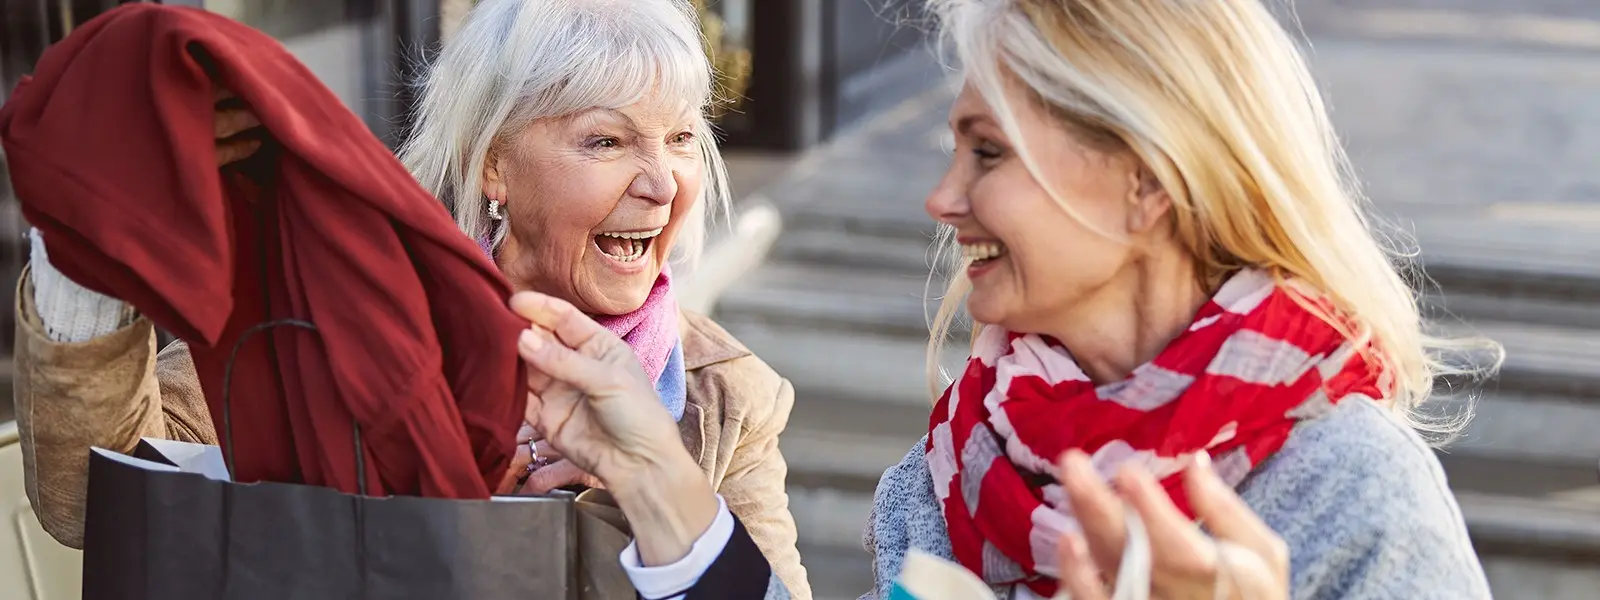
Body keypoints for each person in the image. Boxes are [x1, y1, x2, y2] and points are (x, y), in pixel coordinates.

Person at [500, 0, 1503, 598]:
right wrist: (655, 474)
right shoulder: (938, 481)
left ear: (1145, 178)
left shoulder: (1348, 488)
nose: (941, 198)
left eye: (987, 152)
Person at [12, 0, 809, 596]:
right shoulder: (336, 327)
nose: (663, 184)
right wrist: (88, 244)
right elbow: (89, 502)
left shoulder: (725, 398)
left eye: (679, 139)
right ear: (492, 164)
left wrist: (648, 485)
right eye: (606, 140)